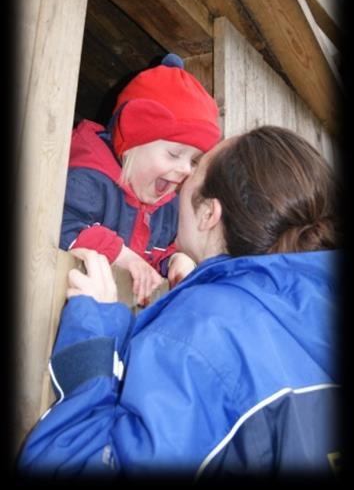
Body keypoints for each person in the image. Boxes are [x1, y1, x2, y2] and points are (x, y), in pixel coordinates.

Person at [18, 126, 342, 479]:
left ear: (208, 215)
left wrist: (93, 342)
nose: (183, 176)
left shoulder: (201, 335)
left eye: (196, 168)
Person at [60, 53, 221, 305]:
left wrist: (177, 261)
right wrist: (124, 257)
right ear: (133, 142)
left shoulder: (168, 206)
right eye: (174, 154)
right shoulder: (88, 180)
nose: (186, 170)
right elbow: (61, 223)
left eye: (193, 160)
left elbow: (161, 248)